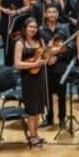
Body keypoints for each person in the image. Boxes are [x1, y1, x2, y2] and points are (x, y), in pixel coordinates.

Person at [14, 17, 49, 148]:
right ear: (25, 28)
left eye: (35, 27)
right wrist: (34, 64)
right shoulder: (20, 43)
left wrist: (46, 58)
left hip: (40, 76)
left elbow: (46, 55)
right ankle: (32, 136)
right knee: (31, 109)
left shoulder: (40, 40)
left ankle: (36, 134)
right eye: (30, 27)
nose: (33, 29)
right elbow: (17, 64)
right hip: (28, 79)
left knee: (39, 107)